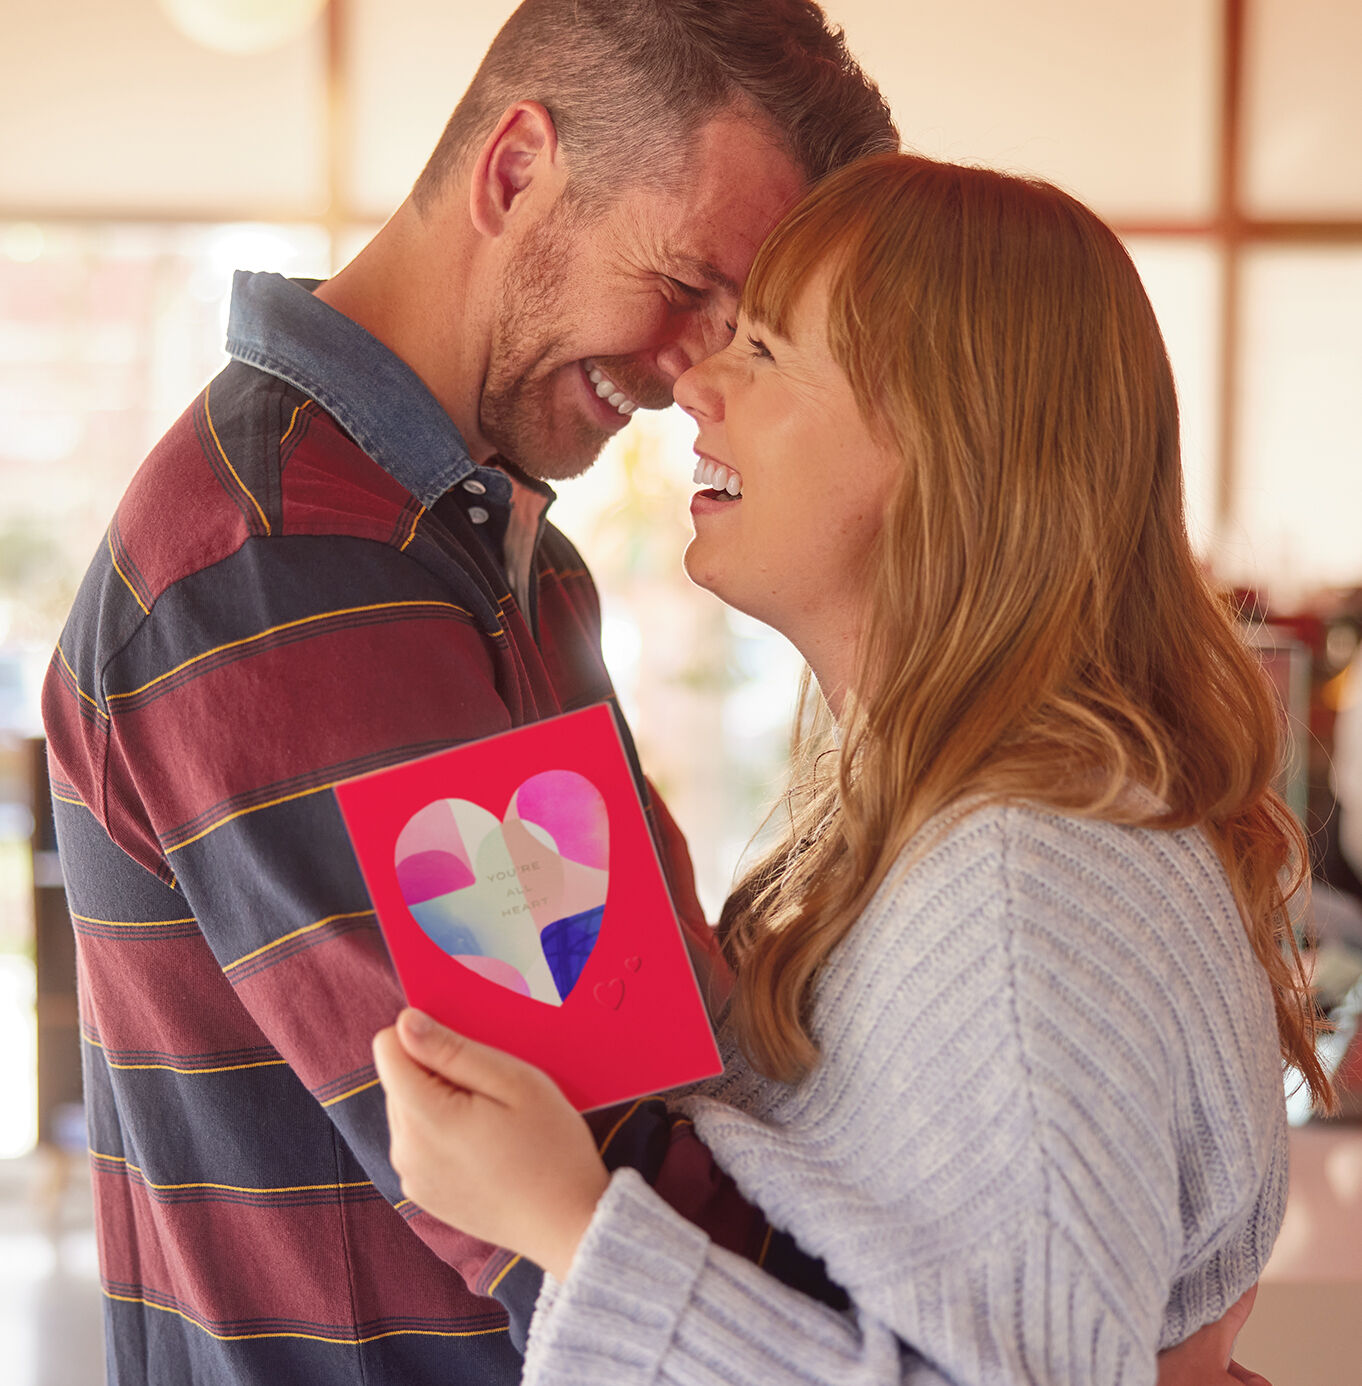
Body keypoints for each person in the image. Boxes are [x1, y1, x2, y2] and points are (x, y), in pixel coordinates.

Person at [39, 3, 900, 1382]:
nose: (693, 376)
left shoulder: (511, 553)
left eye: (741, 330)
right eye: (687, 283)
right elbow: (576, 1156)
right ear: (514, 170)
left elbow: (654, 1039)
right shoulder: (290, 557)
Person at [372, 152, 1332, 1385]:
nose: (692, 382)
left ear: (950, 444)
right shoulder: (951, 818)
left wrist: (568, 1225)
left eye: (765, 352)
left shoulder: (1022, 887)